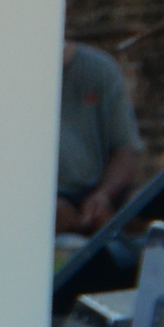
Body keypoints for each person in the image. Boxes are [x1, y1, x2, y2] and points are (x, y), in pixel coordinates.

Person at [58, 39, 145, 235]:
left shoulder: (99, 69)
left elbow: (125, 148)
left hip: (94, 193)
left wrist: (103, 196)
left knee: (142, 206)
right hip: (33, 200)